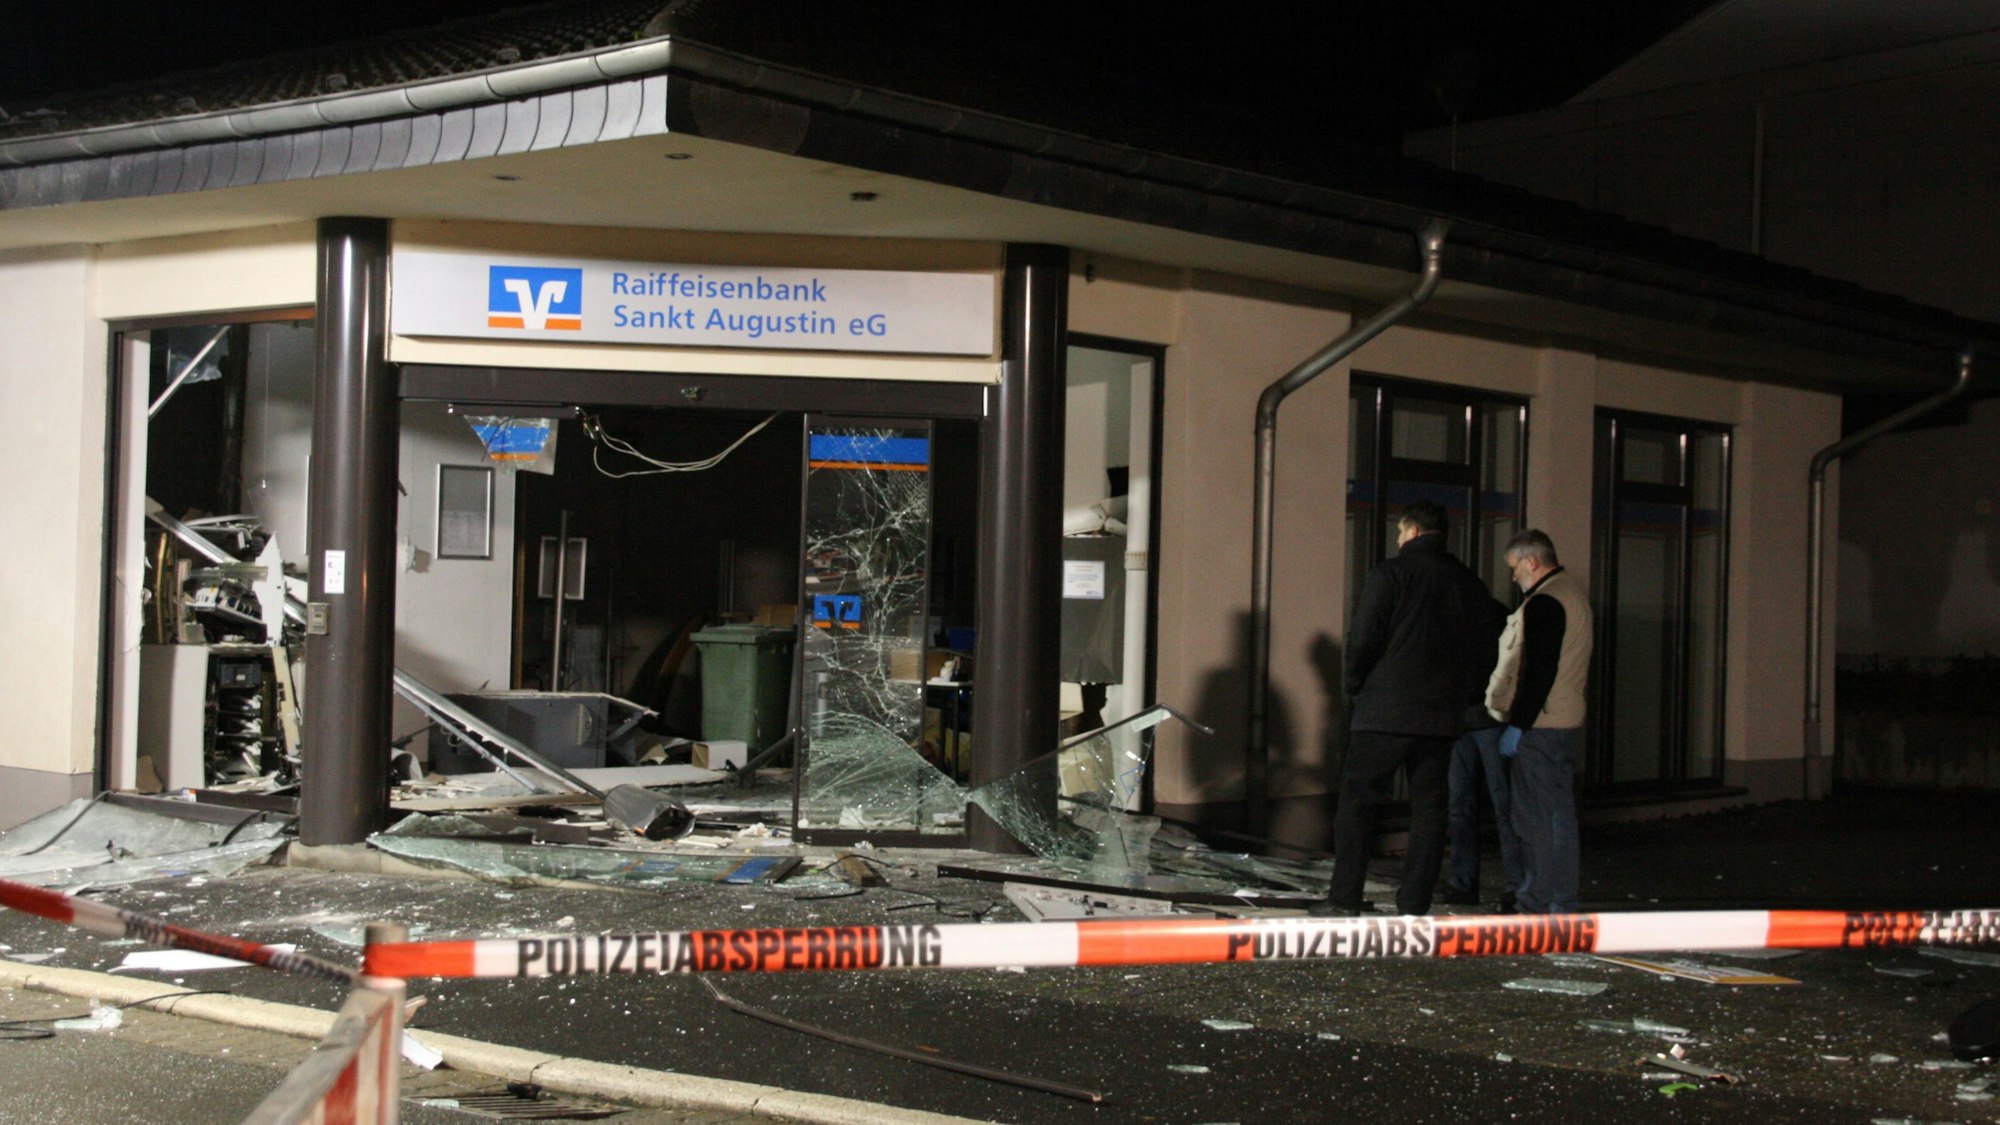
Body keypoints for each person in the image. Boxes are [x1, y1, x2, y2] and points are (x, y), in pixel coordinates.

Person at [1314, 500, 1494, 917]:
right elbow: (1486, 649)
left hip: (1385, 711)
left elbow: (1363, 638)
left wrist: (1356, 687)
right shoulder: (1468, 584)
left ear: (1412, 532)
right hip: (1441, 717)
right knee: (1430, 812)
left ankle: (1344, 899)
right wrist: (1464, 697)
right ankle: (1414, 903)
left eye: (1400, 532)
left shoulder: (1391, 574)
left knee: (1358, 804)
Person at [1485, 529, 1593, 915]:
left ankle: (1537, 897)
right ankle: (1561, 898)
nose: (1513, 577)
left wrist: (1519, 724)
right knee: (1559, 815)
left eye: (1514, 568)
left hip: (1542, 727)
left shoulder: (1545, 602)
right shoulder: (1573, 595)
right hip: (1564, 721)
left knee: (1535, 819)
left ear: (1532, 561)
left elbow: (1538, 671)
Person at [1439, 591, 1521, 911]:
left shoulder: (1453, 618)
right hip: (1483, 718)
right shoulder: (1496, 615)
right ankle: (1512, 885)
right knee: (1499, 805)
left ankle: (1467, 882)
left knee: (1468, 806)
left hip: (1472, 719)